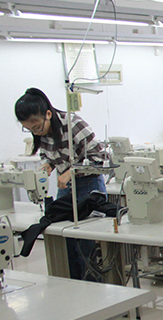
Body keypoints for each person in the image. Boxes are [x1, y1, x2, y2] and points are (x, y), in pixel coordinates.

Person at [15, 87, 109, 280]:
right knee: (66, 244)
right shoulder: (41, 131)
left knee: (86, 247)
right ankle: (73, 287)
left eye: (37, 127)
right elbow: (46, 154)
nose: (36, 132)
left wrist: (71, 172)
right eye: (30, 130)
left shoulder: (73, 124)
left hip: (89, 186)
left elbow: (102, 158)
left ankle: (94, 290)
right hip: (66, 189)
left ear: (48, 114)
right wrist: (47, 165)